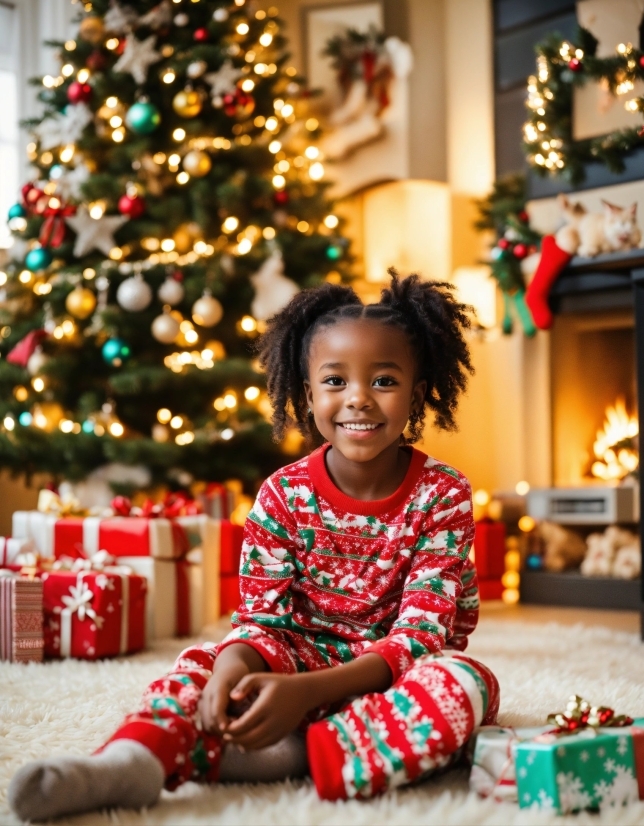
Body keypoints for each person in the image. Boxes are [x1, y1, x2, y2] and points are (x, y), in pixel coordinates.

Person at [9, 271, 499, 820]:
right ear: (307, 391)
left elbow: (420, 637)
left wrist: (306, 698)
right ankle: (133, 760)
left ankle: (282, 758)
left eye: (384, 381)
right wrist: (230, 672)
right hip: (289, 664)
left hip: (392, 681)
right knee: (201, 662)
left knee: (467, 684)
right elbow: (261, 622)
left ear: (417, 389)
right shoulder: (280, 495)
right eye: (335, 382)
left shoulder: (444, 492)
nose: (358, 398)